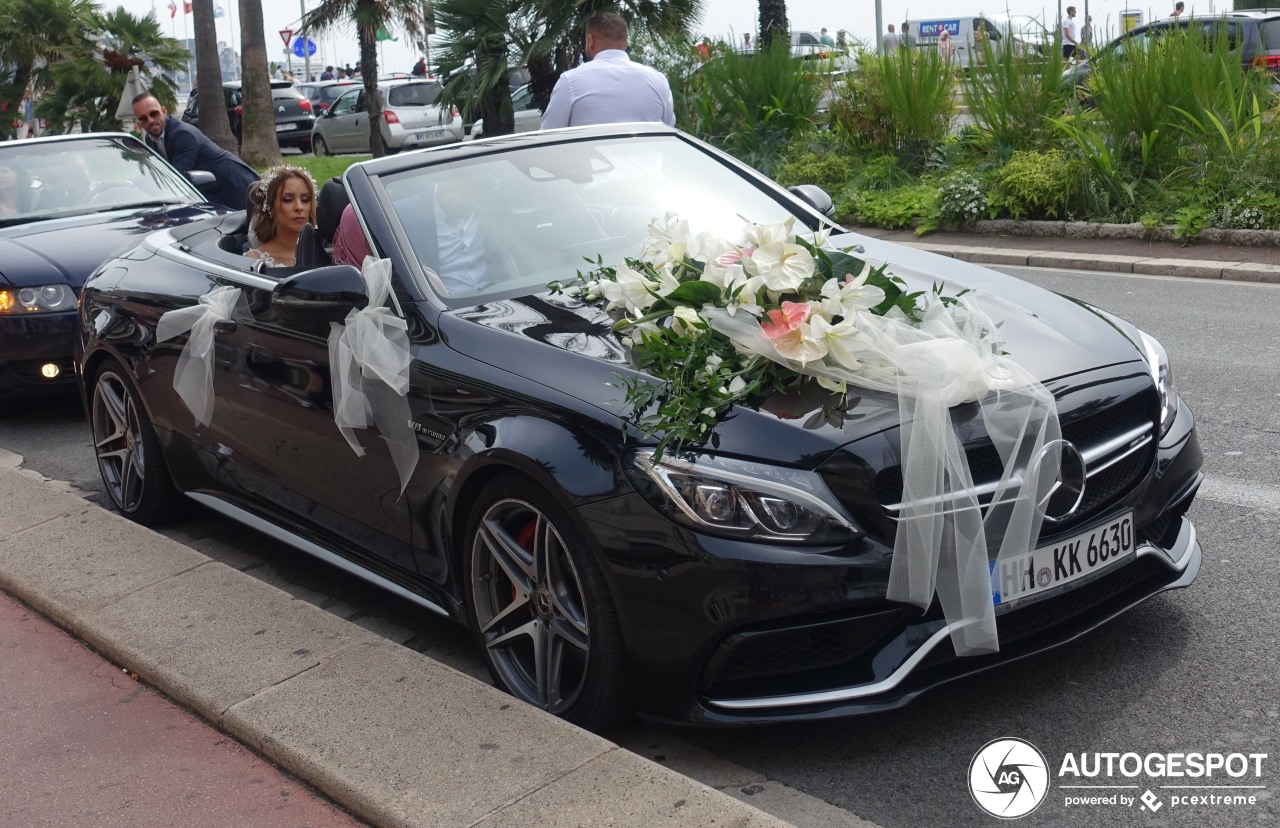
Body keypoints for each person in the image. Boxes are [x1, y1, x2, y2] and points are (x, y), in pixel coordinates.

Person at [539, 11, 675, 129]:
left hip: (587, 159)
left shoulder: (570, 81)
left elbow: (549, 137)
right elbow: (669, 130)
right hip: (647, 159)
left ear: (590, 40)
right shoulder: (658, 80)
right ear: (626, 42)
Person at [131, 92, 258, 212]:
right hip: (210, 194)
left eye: (154, 114)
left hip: (235, 185)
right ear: (138, 124)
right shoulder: (149, 140)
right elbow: (160, 173)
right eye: (143, 119)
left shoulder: (183, 134)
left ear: (164, 111)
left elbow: (176, 179)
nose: (151, 120)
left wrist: (142, 185)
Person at [244, 165, 317, 268]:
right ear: (270, 207)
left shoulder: (327, 253)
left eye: (305, 199)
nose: (299, 207)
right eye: (287, 199)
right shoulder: (255, 260)